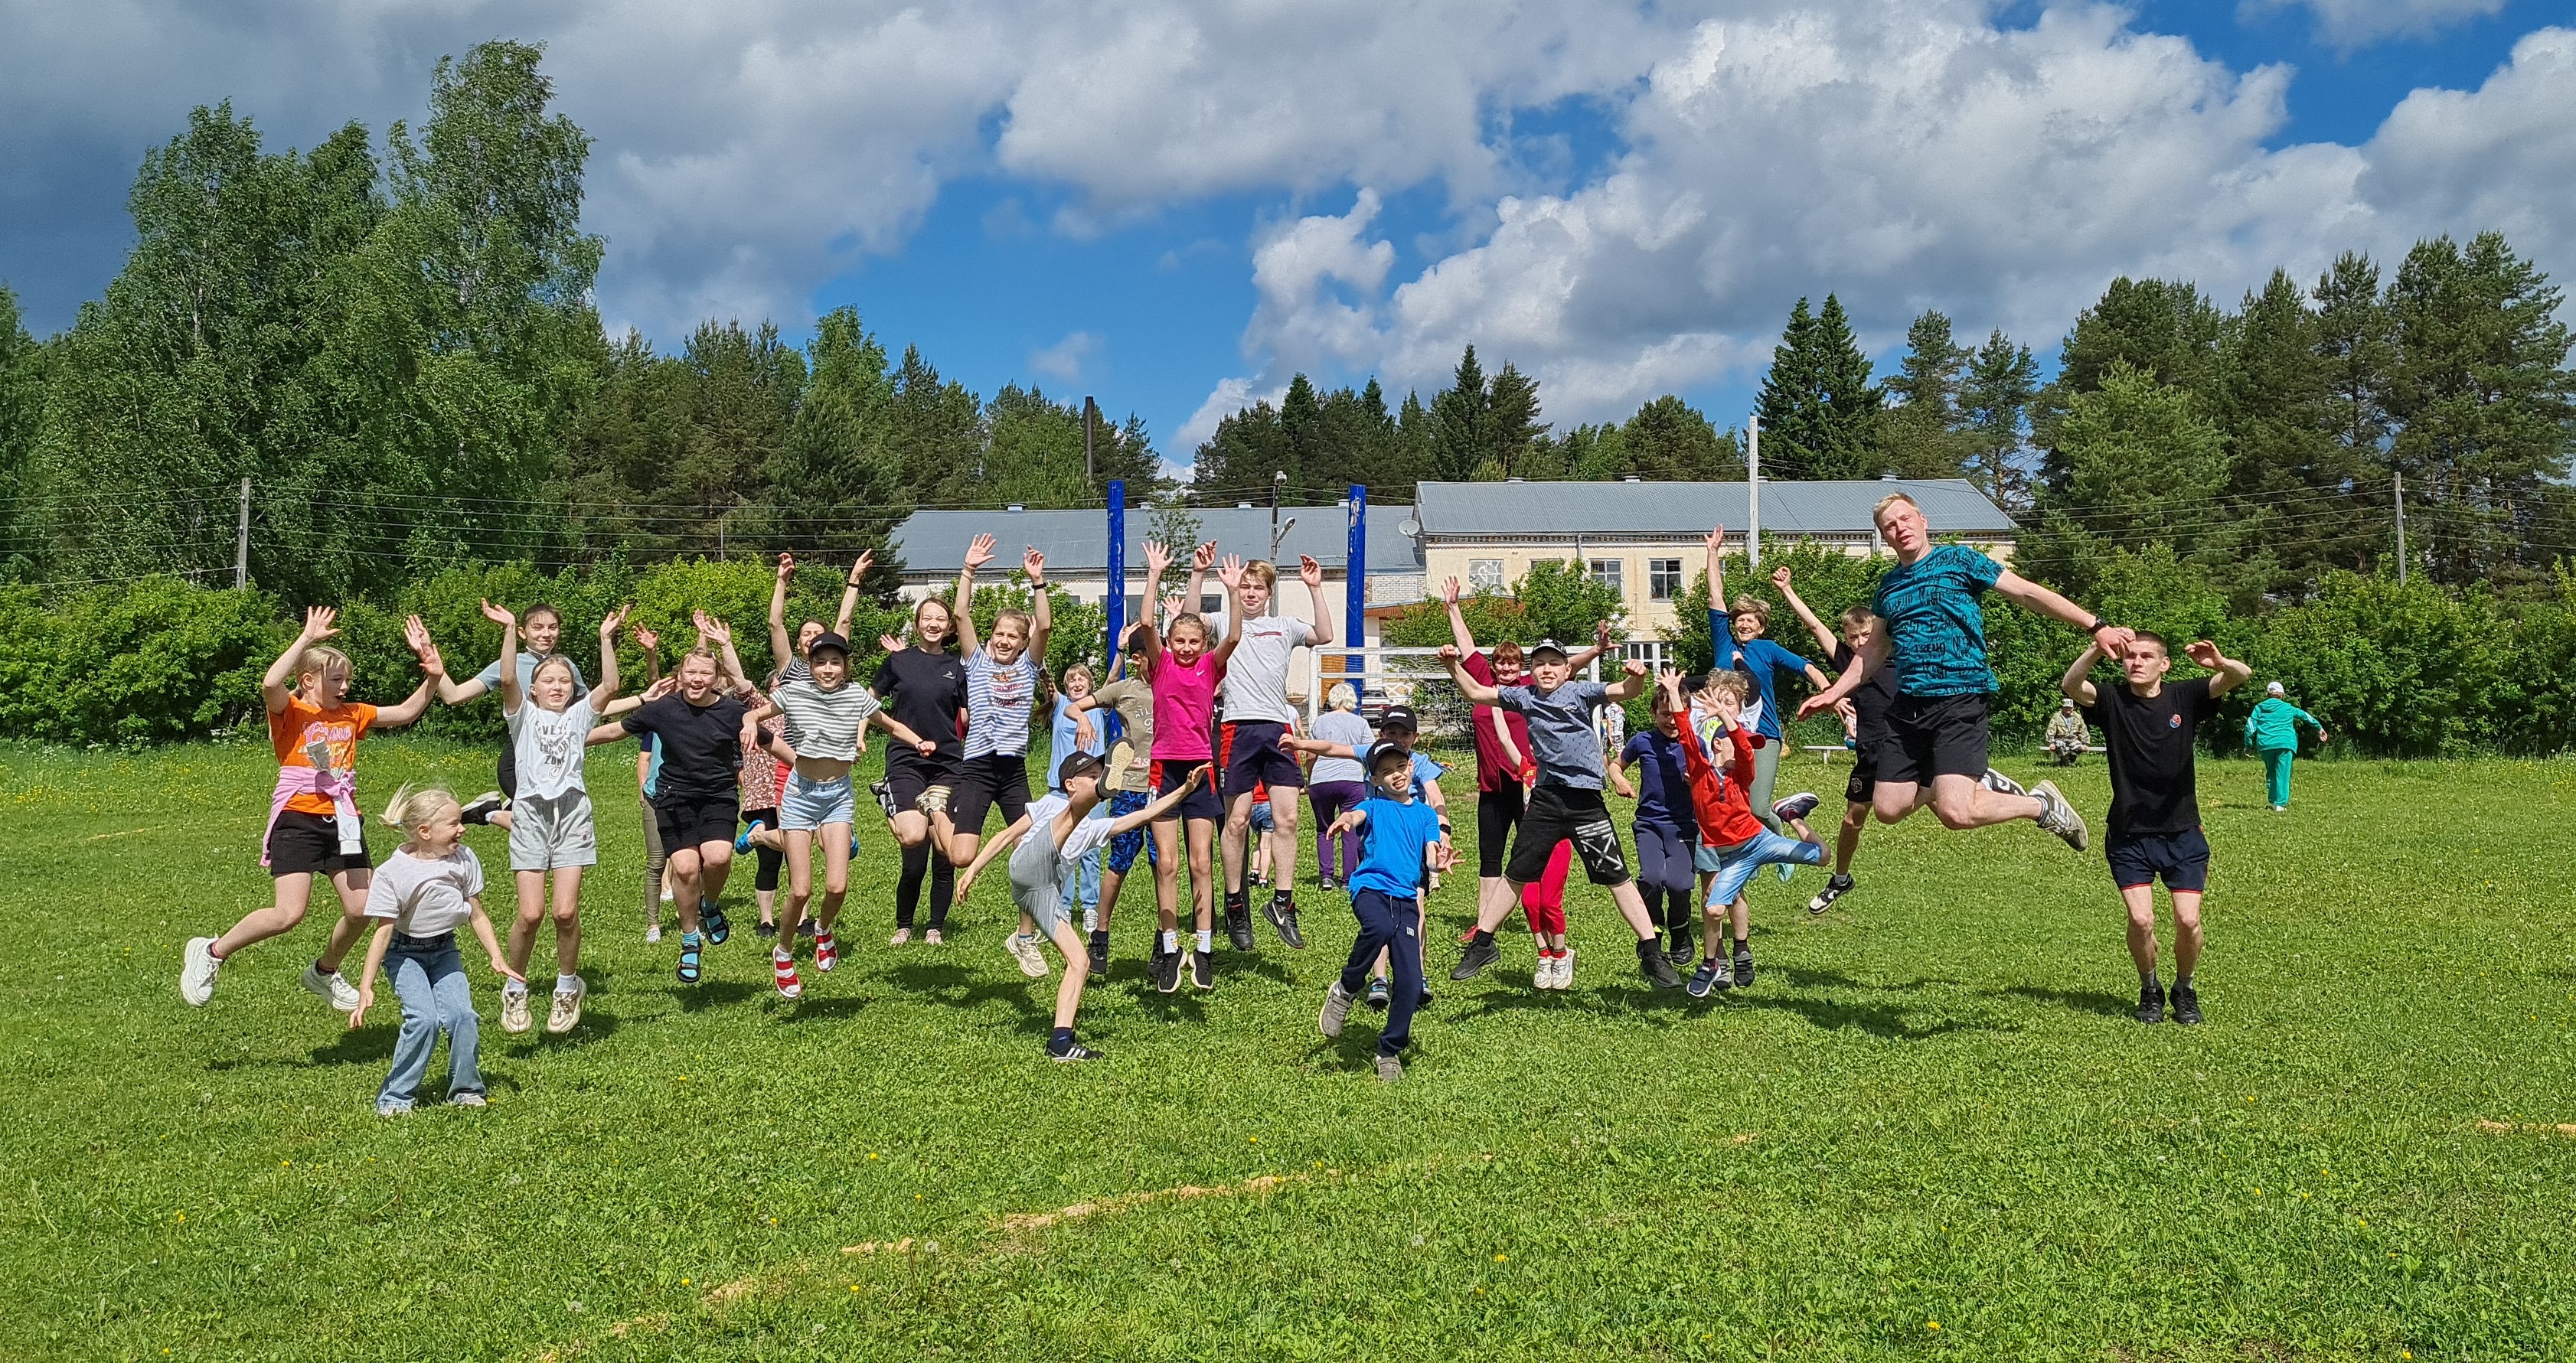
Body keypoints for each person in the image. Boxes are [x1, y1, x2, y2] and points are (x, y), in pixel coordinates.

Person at [1795, 498, 2123, 853]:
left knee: (1956, 813)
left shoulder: (1959, 560)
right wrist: (1833, 692)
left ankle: (2039, 805)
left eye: (1905, 518)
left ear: (1923, 520)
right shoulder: (1888, 588)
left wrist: (2095, 624)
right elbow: (1872, 652)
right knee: (1888, 808)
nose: (1900, 528)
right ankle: (1966, 778)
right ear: (1884, 537)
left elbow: (2028, 592)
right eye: (1890, 526)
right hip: (1908, 707)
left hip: (1960, 696)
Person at [181, 607, 442, 1009]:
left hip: (344, 819)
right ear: (308, 680)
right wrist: (306, 640)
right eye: (337, 679)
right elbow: (270, 683)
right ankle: (213, 951)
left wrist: (434, 676)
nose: (345, 686)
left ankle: (324, 971)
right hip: (298, 818)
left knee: (361, 908)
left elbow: (407, 712)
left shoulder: (353, 715)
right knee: (288, 913)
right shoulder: (293, 713)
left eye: (347, 679)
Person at [1439, 640, 1683, 990]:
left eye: (1554, 663)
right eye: (1539, 664)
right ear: (1532, 671)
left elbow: (1627, 691)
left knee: (1618, 877)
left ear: (1567, 669)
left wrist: (1638, 676)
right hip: (1546, 801)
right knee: (1515, 875)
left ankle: (1650, 952)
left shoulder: (1581, 692)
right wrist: (1452, 666)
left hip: (1585, 803)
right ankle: (1483, 944)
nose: (1546, 669)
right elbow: (1477, 692)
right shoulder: (1524, 697)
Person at [956, 756, 1208, 1061]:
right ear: (1070, 784)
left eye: (1100, 776)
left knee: (1080, 961)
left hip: (1043, 894)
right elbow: (1006, 835)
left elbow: (1146, 814)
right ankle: (1099, 793)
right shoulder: (1052, 803)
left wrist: (1185, 789)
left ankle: (1060, 1042)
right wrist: (972, 870)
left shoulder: (1092, 828)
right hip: (1027, 866)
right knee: (1069, 814)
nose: (1097, 776)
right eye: (1092, 776)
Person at [2062, 633, 2251, 1025]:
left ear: (2164, 664)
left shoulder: (2186, 696)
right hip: (2130, 834)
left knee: (2188, 921)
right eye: (2130, 656)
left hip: (2183, 833)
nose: (2137, 662)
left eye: (2147, 657)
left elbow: (2241, 675)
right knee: (2142, 920)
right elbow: (2071, 685)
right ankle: (2150, 988)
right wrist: (2099, 647)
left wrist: (2219, 662)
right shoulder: (2112, 700)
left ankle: (2185, 987)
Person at [1436, 578, 1601, 977]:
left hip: (1532, 786)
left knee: (1529, 857)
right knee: (1491, 857)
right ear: (1494, 666)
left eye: (1514, 662)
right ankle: (1484, 925)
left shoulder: (1530, 688)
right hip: (1492, 786)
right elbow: (1467, 648)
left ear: (1522, 666)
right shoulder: (1485, 682)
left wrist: (1595, 650)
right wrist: (1453, 608)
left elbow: (1563, 668)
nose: (1508, 668)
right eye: (1502, 662)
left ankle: (1548, 933)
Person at [759, 630, 938, 996]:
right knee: (800, 890)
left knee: (837, 886)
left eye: (835, 662)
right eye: (821, 662)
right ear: (809, 665)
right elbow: (757, 713)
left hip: (838, 794)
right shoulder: (793, 692)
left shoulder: (856, 696)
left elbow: (889, 724)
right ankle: (785, 950)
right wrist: (749, 723)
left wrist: (917, 741)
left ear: (845, 667)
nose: (828, 669)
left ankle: (823, 929)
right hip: (800, 794)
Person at [480, 601, 626, 1036]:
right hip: (528, 815)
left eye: (564, 680)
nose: (558, 686)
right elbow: (507, 677)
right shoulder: (520, 716)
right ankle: (515, 986)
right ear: (535, 689)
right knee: (530, 914)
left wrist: (606, 638)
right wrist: (509, 629)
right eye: (549, 680)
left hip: (572, 814)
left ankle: (567, 987)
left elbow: (611, 685)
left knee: (564, 912)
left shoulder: (581, 715)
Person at [596, 618, 764, 986]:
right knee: (686, 869)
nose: (697, 678)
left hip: (718, 795)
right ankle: (690, 939)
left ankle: (711, 906)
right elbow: (615, 730)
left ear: (715, 677)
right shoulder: (663, 709)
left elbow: (769, 739)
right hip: (674, 797)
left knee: (719, 857)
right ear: (681, 674)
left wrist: (801, 765)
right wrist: (571, 740)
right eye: (691, 671)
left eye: (705, 672)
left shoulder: (732, 712)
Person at [348, 785, 515, 1115]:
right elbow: (382, 933)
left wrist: (496, 956)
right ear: (425, 832)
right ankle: (395, 1097)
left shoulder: (463, 859)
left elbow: (477, 914)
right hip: (405, 953)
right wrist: (365, 987)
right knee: (422, 1020)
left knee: (463, 1016)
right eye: (453, 824)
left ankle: (466, 1089)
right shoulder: (393, 873)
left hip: (444, 950)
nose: (462, 828)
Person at [1664, 670, 1827, 996]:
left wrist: (1727, 717)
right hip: (1733, 855)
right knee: (1712, 907)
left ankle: (1792, 816)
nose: (1741, 751)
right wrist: (1673, 692)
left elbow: (1745, 747)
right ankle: (1710, 964)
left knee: (1823, 858)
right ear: (1716, 743)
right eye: (1732, 745)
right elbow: (1685, 734)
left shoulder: (1743, 773)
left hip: (1759, 842)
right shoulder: (1699, 771)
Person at [1207, 553, 1336, 953]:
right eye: (1244, 586)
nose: (1249, 593)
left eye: (1257, 587)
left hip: (1277, 729)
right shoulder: (1224, 623)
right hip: (1237, 728)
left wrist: (1315, 587)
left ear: (1268, 593)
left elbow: (1325, 634)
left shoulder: (1284, 626)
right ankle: (1235, 905)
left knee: (1288, 818)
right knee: (1238, 822)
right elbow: (1190, 618)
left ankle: (1282, 902)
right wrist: (1208, 580)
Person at [1134, 540, 1246, 993]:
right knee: (1167, 864)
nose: (1183, 647)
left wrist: (1234, 592)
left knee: (1202, 863)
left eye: (1192, 641)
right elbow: (1145, 624)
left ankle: (1203, 949)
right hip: (1164, 771)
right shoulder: (1160, 666)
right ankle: (1169, 946)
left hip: (1200, 770)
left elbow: (1234, 636)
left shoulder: (1208, 668)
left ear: (1203, 644)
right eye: (1178, 640)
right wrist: (1155, 575)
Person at [941, 535, 1054, 968]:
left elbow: (1043, 625)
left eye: (1013, 636)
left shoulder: (1029, 665)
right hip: (976, 769)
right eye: (999, 634)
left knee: (1032, 854)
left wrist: (1038, 583)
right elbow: (961, 613)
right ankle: (937, 808)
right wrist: (968, 570)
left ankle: (1025, 937)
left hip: (1012, 771)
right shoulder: (977, 663)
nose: (1005, 640)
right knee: (960, 856)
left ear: (1023, 644)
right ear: (990, 639)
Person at [1315, 742, 1456, 1081]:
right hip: (1371, 890)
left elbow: (1430, 849)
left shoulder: (1424, 814)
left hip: (1406, 899)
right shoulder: (1374, 805)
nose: (1397, 774)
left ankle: (1389, 1049)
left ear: (1411, 769)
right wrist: (1345, 821)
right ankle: (1346, 989)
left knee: (1409, 984)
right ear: (1375, 779)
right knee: (1377, 929)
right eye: (1387, 771)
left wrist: (1437, 861)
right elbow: (1355, 815)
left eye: (1402, 766)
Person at [1773, 571, 1889, 917]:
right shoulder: (1846, 661)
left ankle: (1981, 779)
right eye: (1852, 637)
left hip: (1904, 746)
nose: (1858, 642)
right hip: (1870, 750)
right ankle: (1840, 879)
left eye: (1865, 635)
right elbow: (1814, 627)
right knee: (1853, 820)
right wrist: (1787, 590)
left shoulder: (1894, 656)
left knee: (1936, 802)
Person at [421, 602, 589, 831]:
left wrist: (642, 702)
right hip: (518, 758)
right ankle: (489, 812)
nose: (546, 634)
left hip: (554, 758)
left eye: (553, 627)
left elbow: (589, 708)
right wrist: (435, 671)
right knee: (539, 827)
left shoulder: (566, 667)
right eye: (538, 627)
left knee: (554, 823)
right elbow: (454, 696)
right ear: (522, 632)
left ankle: (499, 809)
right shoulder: (511, 664)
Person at [1706, 530, 1830, 833]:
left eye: (1752, 620)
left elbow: (1807, 667)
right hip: (1726, 734)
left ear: (1761, 628)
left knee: (1758, 806)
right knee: (1726, 802)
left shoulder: (1768, 649)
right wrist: (1712, 553)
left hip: (1764, 736)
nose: (1745, 623)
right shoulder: (1725, 645)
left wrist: (1830, 692)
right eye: (1740, 619)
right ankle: (1746, 854)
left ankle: (1782, 834)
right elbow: (1716, 597)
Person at [872, 595, 968, 945]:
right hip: (906, 760)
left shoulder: (958, 666)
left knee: (945, 852)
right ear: (917, 623)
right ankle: (904, 924)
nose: (933, 623)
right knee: (914, 848)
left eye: (940, 619)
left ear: (949, 627)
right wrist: (859, 738)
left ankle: (935, 928)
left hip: (947, 764)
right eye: (927, 617)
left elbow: (967, 714)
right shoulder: (898, 661)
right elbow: (868, 703)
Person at [1067, 623, 1157, 980]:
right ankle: (1100, 935)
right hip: (1131, 788)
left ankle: (1165, 944)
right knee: (1119, 863)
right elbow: (1077, 706)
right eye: (1154, 654)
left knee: (1163, 866)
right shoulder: (1125, 689)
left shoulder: (1170, 686)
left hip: (1163, 788)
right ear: (1138, 659)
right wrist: (1085, 720)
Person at [1611, 683, 1698, 964]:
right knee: (1651, 879)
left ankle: (1681, 933)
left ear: (1688, 712)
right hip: (1649, 823)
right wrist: (1619, 779)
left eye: (1677, 713)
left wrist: (1697, 783)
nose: (1671, 720)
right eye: (1664, 714)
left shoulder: (1694, 744)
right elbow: (1616, 764)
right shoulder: (1642, 741)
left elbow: (1716, 775)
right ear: (1653, 713)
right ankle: (1652, 932)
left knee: (1680, 883)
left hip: (1684, 825)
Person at [1047, 662, 1108, 928]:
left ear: (1090, 684)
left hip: (1092, 789)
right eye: (1071, 679)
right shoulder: (1059, 704)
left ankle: (1090, 907)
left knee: (1090, 850)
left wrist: (1119, 651)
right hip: (1061, 789)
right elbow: (1044, 677)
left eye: (1081, 678)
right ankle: (1063, 905)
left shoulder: (1097, 706)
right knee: (1063, 850)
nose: (1076, 683)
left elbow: (1115, 676)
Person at [1304, 683, 1375, 891]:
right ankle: (1348, 879)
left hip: (1321, 779)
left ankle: (1326, 876)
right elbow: (1370, 753)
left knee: (1324, 828)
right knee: (1350, 828)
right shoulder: (1360, 723)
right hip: (1351, 779)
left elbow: (1310, 754)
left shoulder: (1320, 721)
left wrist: (1311, 777)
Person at [766, 550, 870, 686]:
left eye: (818, 634)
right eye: (807, 634)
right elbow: (776, 625)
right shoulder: (790, 667)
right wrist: (781, 581)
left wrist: (854, 579)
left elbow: (844, 621)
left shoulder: (835, 667)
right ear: (798, 643)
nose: (812, 638)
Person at [2245, 681, 2328, 811]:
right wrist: (2319, 727)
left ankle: (2273, 801)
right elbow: (2306, 716)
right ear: (2282, 695)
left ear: (2268, 694)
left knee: (2271, 772)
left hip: (2266, 744)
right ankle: (2280, 804)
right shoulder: (2288, 707)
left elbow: (2250, 726)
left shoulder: (2259, 708)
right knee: (2283, 773)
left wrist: (2248, 745)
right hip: (2285, 743)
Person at [2045, 699, 2091, 765]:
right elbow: (2051, 729)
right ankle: (2065, 761)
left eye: (2069, 708)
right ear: (2063, 707)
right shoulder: (2057, 716)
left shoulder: (2078, 717)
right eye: (2066, 707)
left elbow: (2083, 730)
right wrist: (2051, 742)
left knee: (2080, 748)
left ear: (2073, 708)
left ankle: (2067, 761)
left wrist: (2085, 743)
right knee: (2060, 746)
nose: (2068, 709)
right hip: (2060, 738)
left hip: (2073, 739)